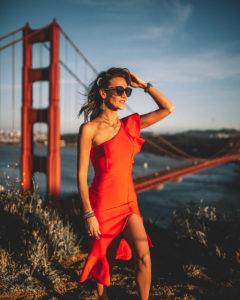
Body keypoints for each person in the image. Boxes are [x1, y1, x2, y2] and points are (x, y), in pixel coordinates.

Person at [77, 67, 175, 300]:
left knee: (144, 255)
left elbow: (167, 109)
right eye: (119, 90)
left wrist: (145, 86)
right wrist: (88, 214)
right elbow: (81, 176)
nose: (124, 95)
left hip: (129, 203)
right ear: (103, 93)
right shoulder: (89, 129)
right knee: (103, 262)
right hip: (101, 205)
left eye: (127, 91)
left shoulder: (130, 125)